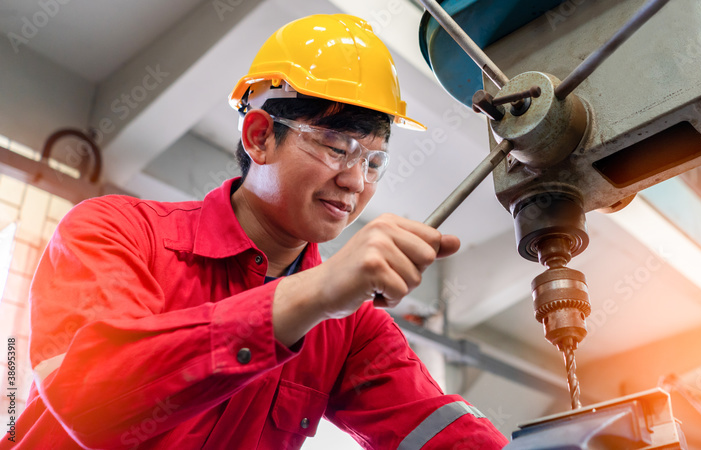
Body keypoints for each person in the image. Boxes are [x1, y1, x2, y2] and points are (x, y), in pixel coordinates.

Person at [3, 14, 507, 449]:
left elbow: (436, 432)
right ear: (260, 136)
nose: (355, 180)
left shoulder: (351, 328)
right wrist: (311, 294)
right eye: (336, 147)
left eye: (374, 161)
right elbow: (87, 401)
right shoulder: (116, 232)